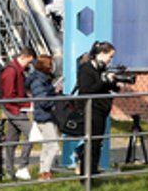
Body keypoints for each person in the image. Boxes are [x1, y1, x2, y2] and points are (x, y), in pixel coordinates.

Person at [72, 41, 119, 177]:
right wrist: (104, 81)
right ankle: (86, 175)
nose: (111, 60)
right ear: (101, 54)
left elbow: (104, 88)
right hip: (91, 111)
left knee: (97, 143)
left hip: (102, 110)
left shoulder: (101, 70)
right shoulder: (86, 69)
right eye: (110, 56)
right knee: (92, 143)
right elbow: (86, 91)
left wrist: (114, 83)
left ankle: (92, 172)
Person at [0, 49, 36, 179]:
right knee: (32, 133)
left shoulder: (14, 70)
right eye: (29, 62)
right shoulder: (11, 71)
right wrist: (27, 104)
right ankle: (22, 166)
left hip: (14, 108)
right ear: (24, 57)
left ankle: (9, 170)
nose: (29, 66)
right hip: (14, 109)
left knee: (12, 140)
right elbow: (10, 95)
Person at [25, 53, 61, 180]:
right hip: (45, 117)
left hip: (44, 116)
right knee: (53, 146)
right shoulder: (39, 81)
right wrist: (56, 99)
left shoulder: (42, 79)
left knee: (47, 145)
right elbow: (44, 101)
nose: (52, 67)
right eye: (51, 65)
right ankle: (45, 172)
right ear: (46, 66)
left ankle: (43, 170)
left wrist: (55, 92)